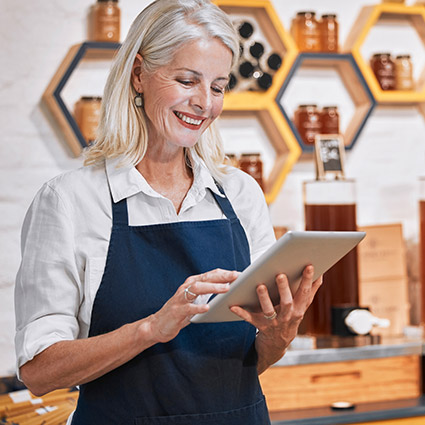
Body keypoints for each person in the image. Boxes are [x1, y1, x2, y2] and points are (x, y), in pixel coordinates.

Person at [14, 0, 322, 424]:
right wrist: (152, 329)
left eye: (217, 86)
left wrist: (279, 332)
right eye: (187, 80)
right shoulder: (70, 202)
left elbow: (244, 365)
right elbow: (39, 372)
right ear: (138, 74)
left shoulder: (240, 193)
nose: (204, 103)